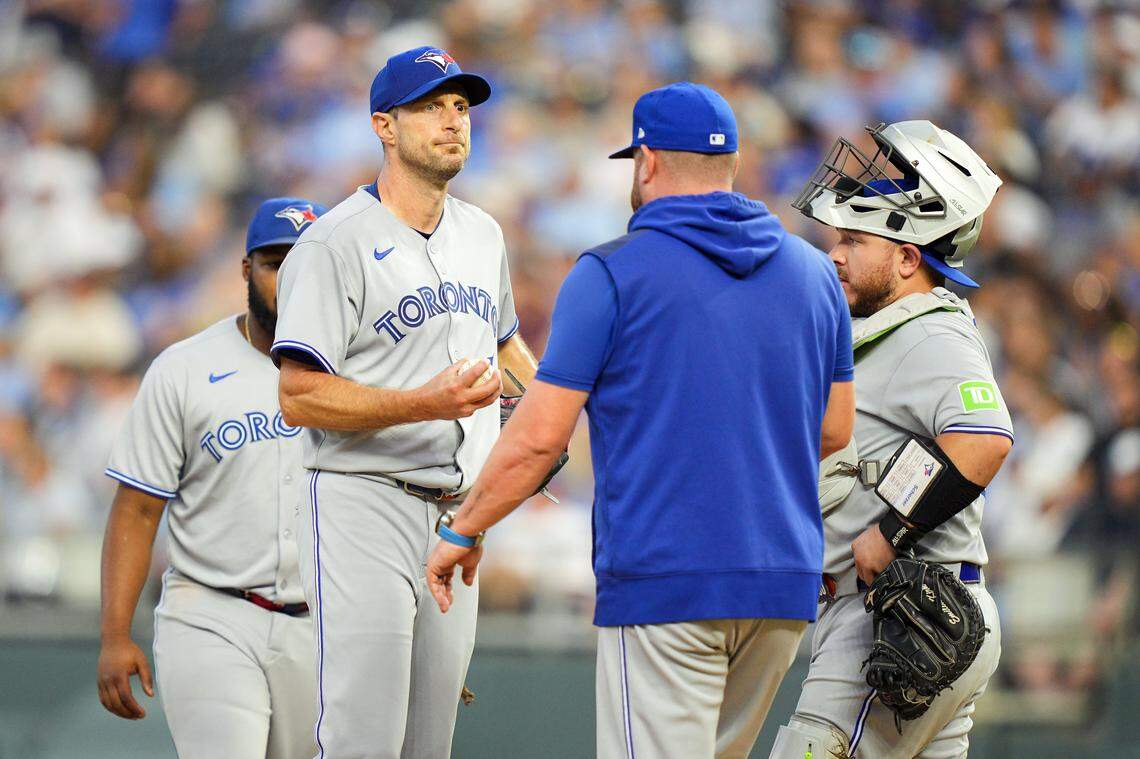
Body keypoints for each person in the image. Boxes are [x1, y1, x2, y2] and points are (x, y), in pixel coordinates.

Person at [425, 81, 856, 759]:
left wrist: (465, 525)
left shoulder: (611, 271)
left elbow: (540, 437)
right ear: (731, 164)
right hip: (781, 584)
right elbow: (834, 428)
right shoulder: (813, 272)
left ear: (647, 160)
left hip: (666, 579)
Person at [271, 46, 542, 759]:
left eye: (460, 106)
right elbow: (298, 395)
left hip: (458, 514)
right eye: (430, 106)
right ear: (384, 126)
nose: (453, 121)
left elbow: (506, 345)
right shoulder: (334, 243)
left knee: (430, 744)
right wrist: (423, 403)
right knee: (363, 738)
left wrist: (547, 411)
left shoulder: (482, 233)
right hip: (363, 501)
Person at [769, 120, 1012, 758]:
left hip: (903, 610)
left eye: (854, 239)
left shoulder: (933, 334)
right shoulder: (892, 330)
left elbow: (983, 440)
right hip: (917, 607)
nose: (836, 255)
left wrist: (890, 528)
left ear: (908, 257)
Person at [97, 197, 327, 759]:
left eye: (305, 263)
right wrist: (114, 634)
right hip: (212, 611)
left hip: (325, 624)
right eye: (276, 263)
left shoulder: (362, 369)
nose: (289, 278)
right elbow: (137, 508)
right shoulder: (185, 368)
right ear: (246, 269)